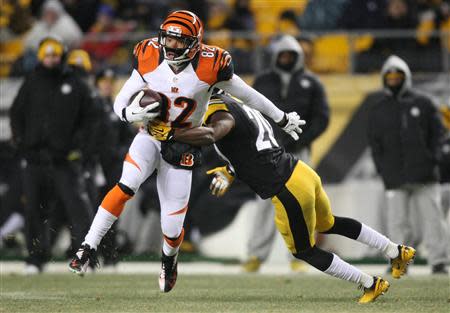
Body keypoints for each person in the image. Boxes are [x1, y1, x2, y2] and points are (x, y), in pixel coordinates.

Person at [68, 10, 304, 293]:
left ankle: (169, 261)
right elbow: (121, 100)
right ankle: (87, 246)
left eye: (179, 41)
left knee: (172, 225)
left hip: (183, 143)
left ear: (195, 43)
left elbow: (249, 95)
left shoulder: (212, 65)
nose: (171, 45)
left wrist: (281, 117)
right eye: (167, 38)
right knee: (126, 184)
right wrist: (130, 113)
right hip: (150, 136)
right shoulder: (149, 55)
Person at [152, 92, 416, 303]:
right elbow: (251, 149)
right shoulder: (239, 103)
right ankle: (396, 251)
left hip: (286, 189)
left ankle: (370, 284)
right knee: (329, 223)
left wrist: (172, 133)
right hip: (301, 172)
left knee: (305, 251)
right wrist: (230, 171)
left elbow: (213, 132)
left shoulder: (218, 111)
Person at [243, 35, 330, 272]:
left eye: (291, 55)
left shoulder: (311, 82)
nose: (286, 58)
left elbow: (322, 118)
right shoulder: (262, 81)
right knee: (263, 202)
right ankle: (255, 255)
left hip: (299, 151)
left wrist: (300, 139)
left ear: (299, 57)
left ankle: (302, 255)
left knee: (303, 202)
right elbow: (250, 112)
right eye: (282, 54)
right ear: (275, 57)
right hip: (266, 151)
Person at [10, 37, 95, 274]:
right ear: (40, 57)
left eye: (55, 55)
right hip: (35, 158)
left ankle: (83, 257)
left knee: (76, 208)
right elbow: (17, 113)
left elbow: (88, 119)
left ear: (62, 56)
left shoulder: (73, 82)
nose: (51, 59)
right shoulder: (32, 82)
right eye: (47, 56)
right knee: (34, 210)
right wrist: (20, 141)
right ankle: (36, 258)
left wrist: (79, 147)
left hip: (64, 159)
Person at [366, 55, 449, 274]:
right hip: (394, 176)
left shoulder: (424, 102)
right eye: (390, 76)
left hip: (424, 174)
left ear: (406, 77)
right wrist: (382, 169)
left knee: (433, 219)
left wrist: (433, 158)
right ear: (385, 78)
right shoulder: (378, 109)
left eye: (397, 76)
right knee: (397, 222)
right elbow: (375, 144)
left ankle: (438, 261)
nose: (393, 79)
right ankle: (399, 263)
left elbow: (439, 135)